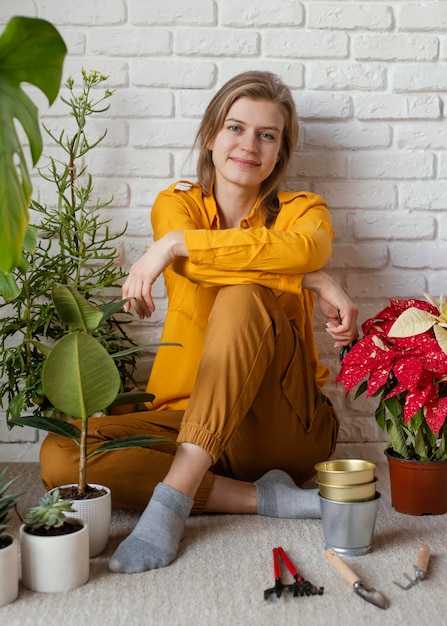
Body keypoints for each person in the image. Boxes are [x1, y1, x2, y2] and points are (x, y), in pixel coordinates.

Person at [40, 71, 358, 574]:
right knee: (62, 457)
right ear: (210, 136)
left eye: (267, 135)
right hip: (191, 416)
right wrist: (308, 281)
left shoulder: (303, 210)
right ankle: (262, 499)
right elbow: (199, 265)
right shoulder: (178, 204)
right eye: (235, 127)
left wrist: (171, 247)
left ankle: (172, 501)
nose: (248, 145)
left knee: (241, 295)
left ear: (280, 152)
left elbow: (306, 247)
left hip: (284, 425)